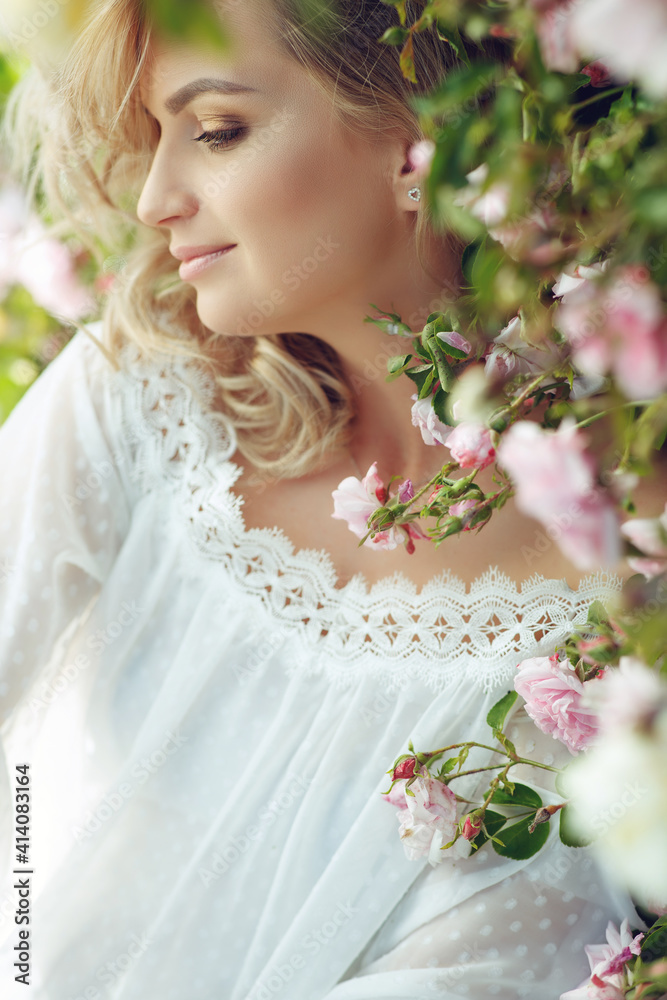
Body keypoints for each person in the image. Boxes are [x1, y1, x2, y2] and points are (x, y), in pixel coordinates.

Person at [0, 1, 663, 997]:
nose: (154, 198)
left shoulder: (617, 630)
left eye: (216, 130)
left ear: (418, 144)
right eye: (157, 136)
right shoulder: (154, 391)